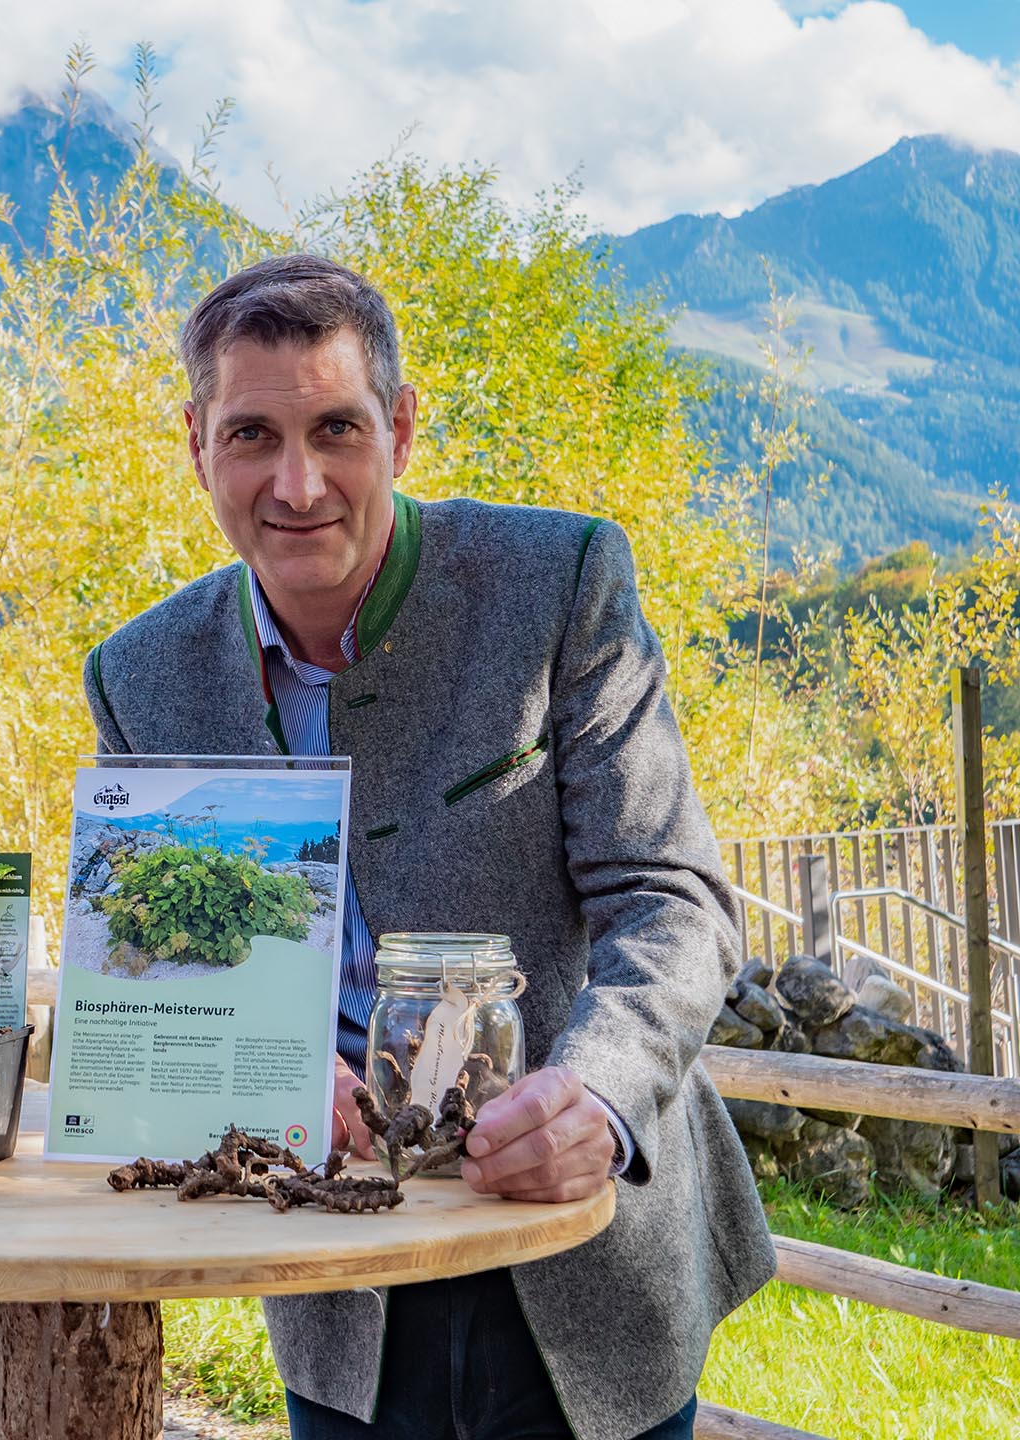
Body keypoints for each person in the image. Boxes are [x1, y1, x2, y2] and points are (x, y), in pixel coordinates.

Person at [82, 256, 772, 1440]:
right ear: (195, 443)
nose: (297, 483)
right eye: (252, 434)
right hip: (334, 1282)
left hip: (583, 1254)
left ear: (400, 430)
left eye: (337, 428)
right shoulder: (139, 675)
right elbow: (159, 956)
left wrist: (596, 1097)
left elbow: (674, 899)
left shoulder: (556, 583)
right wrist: (262, 1071)